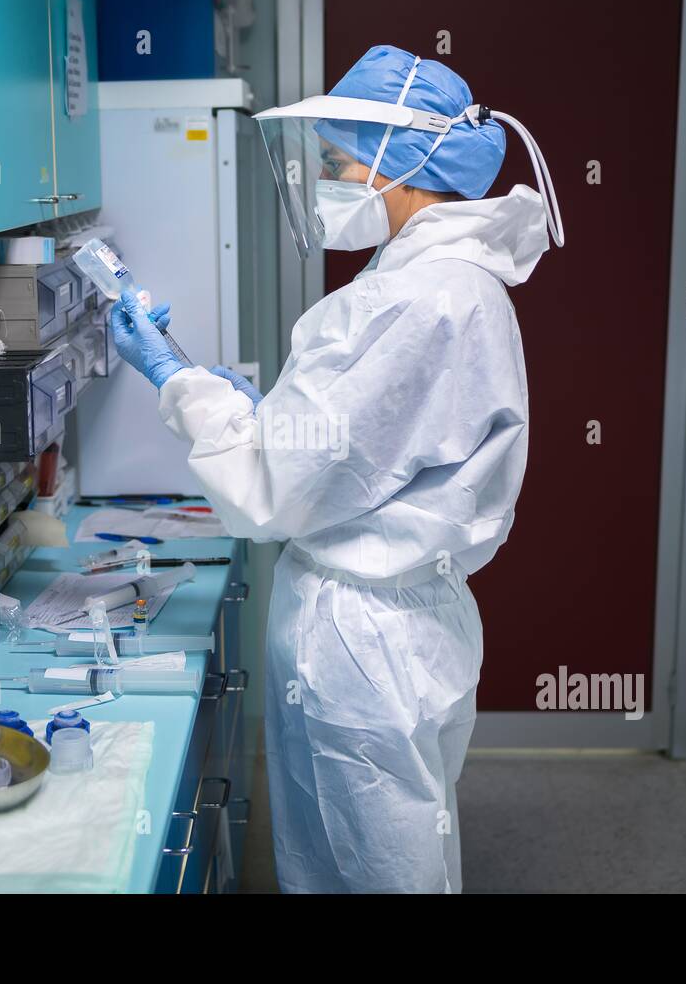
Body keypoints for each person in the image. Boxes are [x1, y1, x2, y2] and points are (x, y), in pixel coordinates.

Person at [108, 44, 564, 893]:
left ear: (404, 166)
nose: (326, 178)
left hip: (362, 638)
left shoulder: (412, 299)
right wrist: (260, 409)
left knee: (375, 869)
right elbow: (354, 445)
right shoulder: (452, 282)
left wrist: (178, 382)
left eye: (338, 160)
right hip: (407, 620)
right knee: (384, 851)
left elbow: (269, 492)